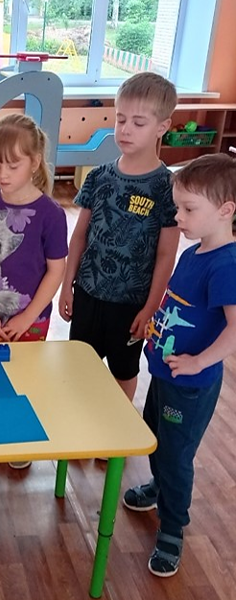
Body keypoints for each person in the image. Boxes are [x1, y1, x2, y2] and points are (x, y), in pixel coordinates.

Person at [123, 154, 236, 577]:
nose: (178, 217)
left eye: (189, 209)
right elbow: (178, 304)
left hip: (190, 385)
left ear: (225, 210)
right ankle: (159, 487)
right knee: (157, 437)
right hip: (165, 373)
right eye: (177, 207)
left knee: (175, 455)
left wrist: (199, 361)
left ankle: (172, 528)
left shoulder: (226, 264)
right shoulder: (195, 252)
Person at [58, 72, 180, 402]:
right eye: (120, 119)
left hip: (131, 304)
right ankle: (78, 421)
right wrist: (67, 285)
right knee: (78, 366)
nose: (125, 129)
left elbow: (166, 255)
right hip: (87, 294)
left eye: (138, 123)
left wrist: (151, 307)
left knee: (123, 371)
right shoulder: (99, 177)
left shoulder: (167, 188)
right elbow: (79, 236)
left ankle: (118, 429)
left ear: (162, 127)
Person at [0, 114, 68, 469]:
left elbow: (56, 270)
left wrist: (27, 317)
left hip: (31, 320)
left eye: (13, 165)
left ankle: (20, 436)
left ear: (35, 162)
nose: (2, 174)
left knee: (25, 377)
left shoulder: (51, 214)